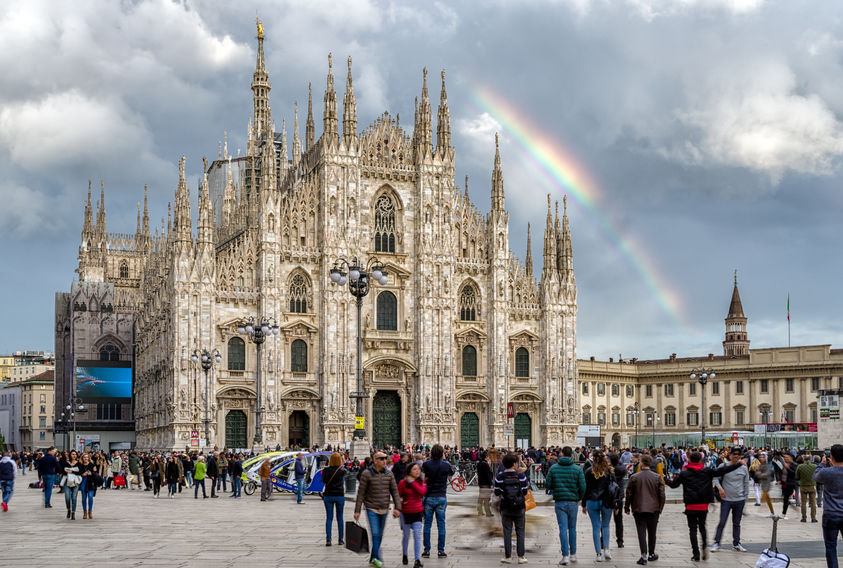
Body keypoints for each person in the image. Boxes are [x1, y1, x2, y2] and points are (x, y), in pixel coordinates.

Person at [667, 450, 743, 562]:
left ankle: (695, 553)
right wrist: (738, 464)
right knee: (702, 527)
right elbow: (722, 470)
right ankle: (704, 548)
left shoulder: (684, 473)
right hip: (703, 505)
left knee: (692, 529)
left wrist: (665, 479)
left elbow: (673, 485)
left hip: (690, 506)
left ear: (689, 460)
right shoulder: (707, 471)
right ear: (701, 460)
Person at [354, 451, 402, 568]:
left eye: (385, 459)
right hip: (371, 508)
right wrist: (357, 510)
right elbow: (361, 493)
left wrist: (397, 507)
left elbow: (395, 491)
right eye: (381, 459)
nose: (384, 461)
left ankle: (372, 557)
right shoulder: (366, 474)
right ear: (375, 460)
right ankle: (377, 559)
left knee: (379, 535)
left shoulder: (389, 474)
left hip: (384, 508)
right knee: (375, 534)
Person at [545, 446, 586, 565]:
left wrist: (556, 488)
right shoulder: (577, 469)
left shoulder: (554, 468)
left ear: (561, 454)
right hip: (573, 502)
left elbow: (548, 484)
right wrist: (578, 497)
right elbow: (583, 487)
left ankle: (565, 556)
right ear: (572, 455)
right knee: (572, 529)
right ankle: (573, 554)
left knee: (563, 529)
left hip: (560, 502)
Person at [625, 454, 665, 566]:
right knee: (652, 532)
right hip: (654, 509)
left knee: (641, 532)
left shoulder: (634, 477)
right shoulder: (657, 477)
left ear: (641, 463)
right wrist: (660, 507)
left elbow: (629, 494)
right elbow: (662, 494)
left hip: (639, 508)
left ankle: (643, 555)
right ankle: (651, 554)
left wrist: (627, 507)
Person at [711, 447, 750, 552]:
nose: (736, 456)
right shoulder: (723, 466)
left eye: (738, 454)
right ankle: (716, 542)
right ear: (730, 455)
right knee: (722, 521)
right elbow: (715, 478)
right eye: (734, 454)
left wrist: (745, 497)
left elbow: (746, 483)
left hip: (739, 499)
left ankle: (737, 543)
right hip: (726, 499)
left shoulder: (744, 468)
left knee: (737, 523)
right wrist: (720, 488)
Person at [494, 452, 530, 564]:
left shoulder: (499, 477)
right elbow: (525, 491)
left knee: (507, 532)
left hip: (505, 507)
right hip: (519, 507)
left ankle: (508, 557)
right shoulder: (521, 476)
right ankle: (521, 557)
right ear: (514, 464)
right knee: (520, 531)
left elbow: (496, 492)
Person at [421, 444, 455, 559]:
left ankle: (426, 550)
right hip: (441, 497)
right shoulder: (445, 465)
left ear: (431, 453)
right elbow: (452, 472)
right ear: (442, 454)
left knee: (427, 524)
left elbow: (423, 473)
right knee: (441, 525)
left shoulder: (426, 464)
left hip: (429, 496)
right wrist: (444, 459)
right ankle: (441, 550)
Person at [582, 450, 616, 562]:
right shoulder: (609, 471)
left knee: (596, 527)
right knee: (606, 526)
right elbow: (614, 488)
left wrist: (583, 504)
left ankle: (598, 554)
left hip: (592, 500)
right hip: (606, 500)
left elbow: (585, 489)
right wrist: (617, 504)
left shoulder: (588, 471)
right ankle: (606, 549)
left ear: (593, 458)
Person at [814, 444, 843, 568]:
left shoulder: (826, 472)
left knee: (831, 547)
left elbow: (816, 476)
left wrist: (822, 463)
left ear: (831, 456)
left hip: (831, 514)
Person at [398, 461, 427, 567]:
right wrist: (398, 507)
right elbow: (398, 495)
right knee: (406, 535)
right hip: (405, 512)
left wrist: (412, 482)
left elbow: (422, 492)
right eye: (414, 469)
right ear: (409, 471)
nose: (417, 471)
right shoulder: (402, 483)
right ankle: (405, 554)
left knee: (417, 536)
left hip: (418, 512)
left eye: (418, 469)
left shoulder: (421, 482)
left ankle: (417, 559)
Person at [322, 452, 347, 546]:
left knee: (329, 518)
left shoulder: (325, 470)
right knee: (340, 518)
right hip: (339, 495)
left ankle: (328, 539)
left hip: (328, 495)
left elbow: (323, 481)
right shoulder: (342, 471)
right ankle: (340, 539)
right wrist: (343, 462)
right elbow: (347, 473)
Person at [610, 452, 628, 549]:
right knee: (619, 520)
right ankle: (620, 540)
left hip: (609, 496)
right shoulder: (622, 469)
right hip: (619, 495)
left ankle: (603, 539)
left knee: (605, 521)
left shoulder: (610, 471)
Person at [796, 453, 818, 523]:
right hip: (812, 486)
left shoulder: (800, 466)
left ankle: (804, 518)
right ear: (810, 460)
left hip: (803, 486)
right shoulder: (815, 466)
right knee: (813, 502)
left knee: (803, 502)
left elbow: (797, 477)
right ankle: (813, 518)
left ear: (803, 460)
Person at [63, 450, 82, 520]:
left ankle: (73, 512)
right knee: (67, 498)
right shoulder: (66, 463)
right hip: (67, 482)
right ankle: (68, 509)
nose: (74, 456)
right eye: (72, 454)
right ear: (70, 455)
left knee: (74, 498)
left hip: (75, 482)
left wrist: (71, 471)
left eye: (75, 454)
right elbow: (63, 471)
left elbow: (80, 472)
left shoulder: (79, 463)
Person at [78, 452, 97, 519]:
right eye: (84, 457)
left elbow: (95, 474)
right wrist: (83, 474)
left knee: (90, 496)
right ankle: (85, 512)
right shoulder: (80, 465)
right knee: (84, 498)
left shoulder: (92, 465)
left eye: (87, 457)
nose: (86, 458)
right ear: (82, 458)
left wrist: (91, 473)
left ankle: (90, 511)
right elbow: (78, 473)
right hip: (83, 482)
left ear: (89, 458)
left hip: (90, 482)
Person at [477, 450, 494, 517]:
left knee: (481, 498)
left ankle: (480, 511)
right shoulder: (485, 464)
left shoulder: (479, 463)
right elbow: (488, 475)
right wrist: (491, 484)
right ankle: (488, 512)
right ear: (486, 457)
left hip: (481, 482)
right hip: (486, 483)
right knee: (486, 498)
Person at [780, 453, 797, 518]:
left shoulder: (794, 464)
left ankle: (784, 513)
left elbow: (794, 473)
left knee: (785, 498)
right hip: (784, 484)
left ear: (791, 458)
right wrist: (780, 480)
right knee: (785, 498)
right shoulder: (784, 464)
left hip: (790, 484)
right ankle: (788, 505)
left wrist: (787, 468)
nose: (785, 459)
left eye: (787, 457)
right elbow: (782, 473)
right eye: (784, 457)